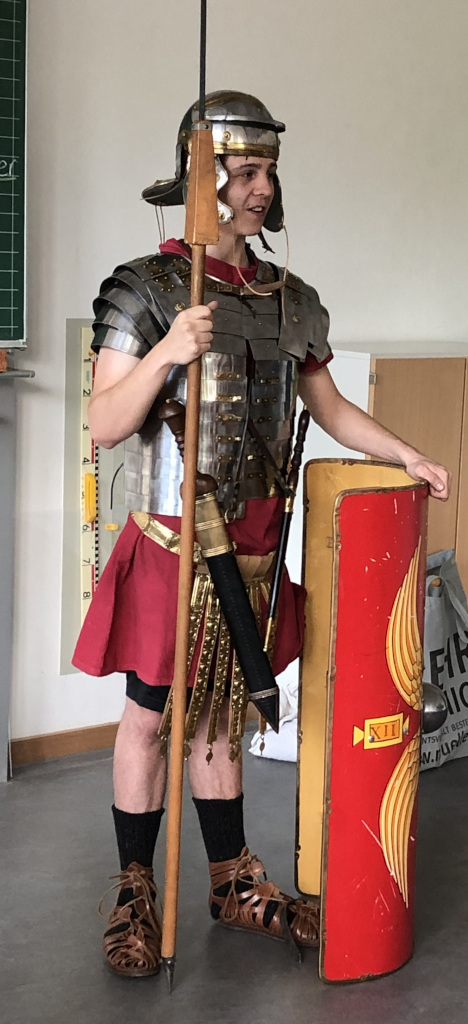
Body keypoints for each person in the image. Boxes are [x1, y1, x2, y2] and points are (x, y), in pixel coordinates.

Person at [73, 90, 450, 979]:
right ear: (201, 180)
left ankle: (232, 882)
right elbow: (105, 423)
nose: (261, 189)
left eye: (268, 172)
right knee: (150, 716)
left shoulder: (290, 300)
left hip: (252, 543)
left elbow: (331, 408)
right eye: (243, 172)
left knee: (220, 714)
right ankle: (135, 889)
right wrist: (167, 352)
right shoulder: (149, 288)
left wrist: (407, 453)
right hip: (176, 540)